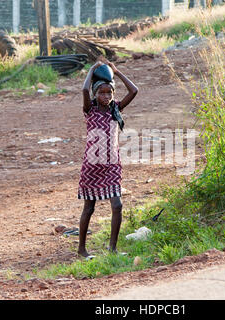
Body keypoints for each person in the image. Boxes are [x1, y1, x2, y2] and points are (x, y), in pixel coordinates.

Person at [77, 60, 138, 259]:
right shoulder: (90, 110)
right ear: (96, 94)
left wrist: (117, 71)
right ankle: (82, 250)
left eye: (109, 92)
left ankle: (112, 249)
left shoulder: (116, 110)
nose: (106, 96)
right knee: (89, 207)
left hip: (112, 165)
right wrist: (92, 70)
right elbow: (84, 89)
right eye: (101, 93)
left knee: (117, 205)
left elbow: (134, 90)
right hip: (92, 167)